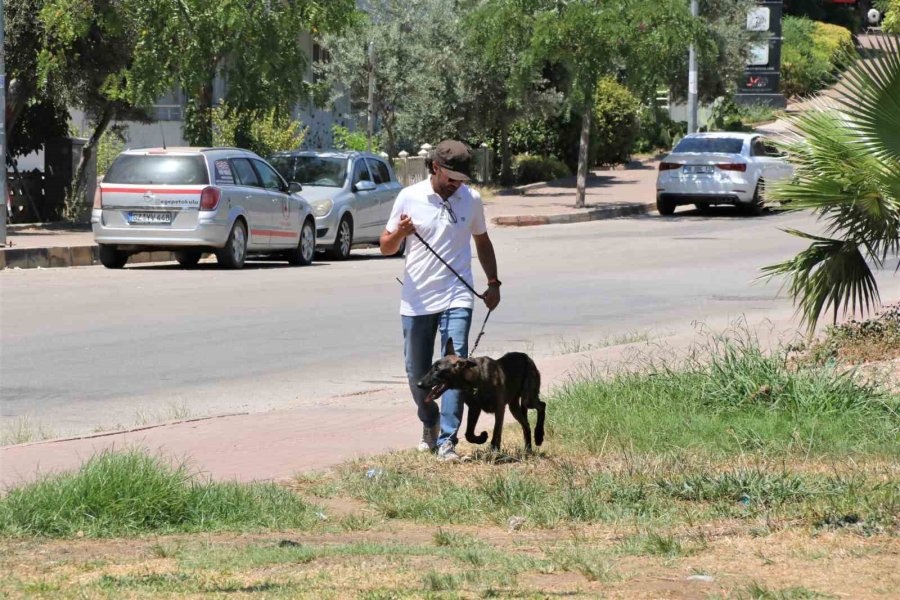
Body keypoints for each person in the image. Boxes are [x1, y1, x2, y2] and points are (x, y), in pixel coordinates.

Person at [379, 140, 501, 461]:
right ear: (435, 168)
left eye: (462, 179)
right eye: (451, 178)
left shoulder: (471, 200)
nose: (456, 185)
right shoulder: (410, 197)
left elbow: (482, 241)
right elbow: (386, 246)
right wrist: (400, 233)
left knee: (456, 366)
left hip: (457, 295)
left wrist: (493, 282)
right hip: (417, 299)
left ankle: (447, 441)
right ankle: (429, 421)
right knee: (415, 371)